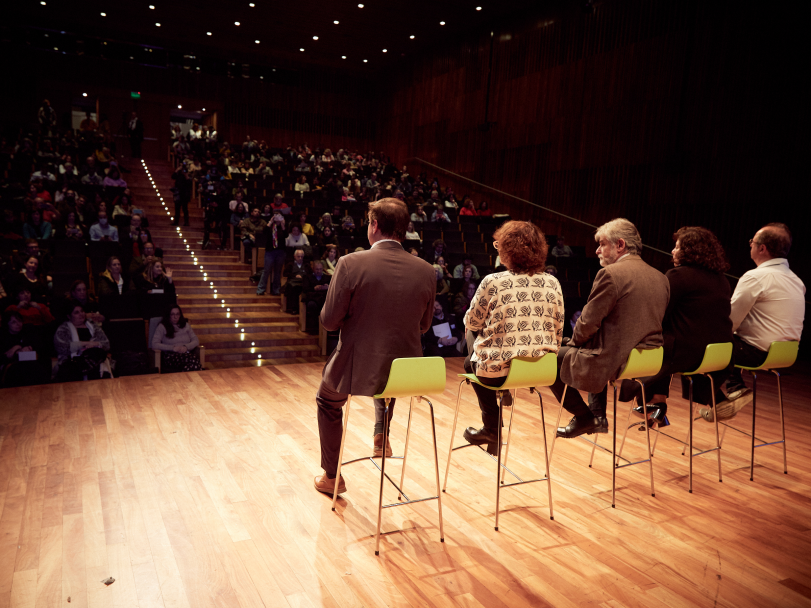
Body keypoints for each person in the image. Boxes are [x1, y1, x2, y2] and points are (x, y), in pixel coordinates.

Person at [314, 198, 436, 496]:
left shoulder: (349, 263)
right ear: (404, 231)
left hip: (359, 368)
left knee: (328, 401)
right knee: (388, 376)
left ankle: (332, 477)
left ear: (374, 225)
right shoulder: (426, 270)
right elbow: (424, 326)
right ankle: (382, 434)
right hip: (409, 373)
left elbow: (329, 322)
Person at [550, 218, 670, 439]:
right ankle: (598, 416)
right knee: (593, 344)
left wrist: (574, 342)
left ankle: (586, 417)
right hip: (648, 361)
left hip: (616, 359)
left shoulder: (611, 274)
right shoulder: (661, 277)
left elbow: (587, 322)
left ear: (620, 245)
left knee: (552, 357)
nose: (597, 250)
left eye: (602, 244)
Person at [461, 221, 564, 452]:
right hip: (540, 369)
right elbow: (558, 329)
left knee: (471, 338)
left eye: (499, 245)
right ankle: (494, 415)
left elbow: (472, 322)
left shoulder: (493, 281)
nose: (496, 249)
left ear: (509, 250)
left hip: (496, 372)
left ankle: (492, 427)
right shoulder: (553, 282)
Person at [621, 227, 735, 428]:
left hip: (687, 353)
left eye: (677, 247)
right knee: (666, 342)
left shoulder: (679, 276)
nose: (672, 251)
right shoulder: (721, 279)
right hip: (718, 353)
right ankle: (711, 400)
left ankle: (654, 404)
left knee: (649, 342)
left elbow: (659, 312)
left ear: (690, 251)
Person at [716, 223, 805, 421]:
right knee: (726, 342)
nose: (750, 246)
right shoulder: (797, 280)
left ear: (762, 248)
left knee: (708, 342)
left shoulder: (756, 277)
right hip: (786, 354)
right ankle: (731, 391)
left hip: (757, 353)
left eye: (752, 242)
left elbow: (729, 321)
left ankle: (720, 398)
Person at [54, 301, 112, 382]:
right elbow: (62, 347)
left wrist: (95, 345)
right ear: (69, 316)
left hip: (94, 359)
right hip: (71, 362)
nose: (81, 314)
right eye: (76, 312)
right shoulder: (63, 329)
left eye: (82, 311)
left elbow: (106, 344)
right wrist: (85, 344)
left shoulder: (93, 326)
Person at [1, 310, 50, 386]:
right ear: (7, 324)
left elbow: (39, 346)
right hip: (12, 365)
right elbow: (6, 356)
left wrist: (23, 347)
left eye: (20, 321)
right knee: (21, 370)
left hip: (30, 363)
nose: (18, 324)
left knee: (38, 365)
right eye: (14, 322)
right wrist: (16, 350)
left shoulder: (27, 331)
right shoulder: (3, 337)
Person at [133, 259, 176, 347]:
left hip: (160, 308)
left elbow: (171, 293)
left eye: (161, 267)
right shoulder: (142, 278)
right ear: (151, 268)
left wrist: (170, 279)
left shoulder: (163, 280)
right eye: (157, 267)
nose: (160, 269)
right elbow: (138, 291)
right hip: (148, 310)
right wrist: (146, 292)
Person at [152, 306, 203, 373]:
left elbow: (196, 340)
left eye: (177, 314)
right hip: (171, 356)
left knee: (191, 363)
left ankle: (185, 381)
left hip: (186, 354)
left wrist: (186, 347)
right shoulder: (162, 326)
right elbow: (154, 344)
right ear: (168, 315)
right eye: (172, 314)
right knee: (193, 363)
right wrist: (173, 348)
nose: (175, 317)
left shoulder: (186, 325)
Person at [256, 212, 287, 296]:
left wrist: (283, 224)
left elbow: (286, 235)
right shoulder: (270, 226)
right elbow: (264, 232)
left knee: (277, 271)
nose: (277, 217)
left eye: (279, 216)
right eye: (276, 216)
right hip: (270, 251)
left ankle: (276, 289)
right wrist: (270, 221)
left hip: (280, 251)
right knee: (266, 270)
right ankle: (260, 289)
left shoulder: (283, 226)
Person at [302, 260, 330, 334]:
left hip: (324, 298)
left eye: (320, 269)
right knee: (312, 305)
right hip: (313, 298)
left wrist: (328, 287)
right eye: (317, 269)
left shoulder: (327, 278)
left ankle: (328, 328)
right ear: (313, 269)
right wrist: (314, 288)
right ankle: (314, 328)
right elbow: (305, 289)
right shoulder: (307, 277)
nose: (319, 271)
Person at [283, 249, 310, 314]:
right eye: (298, 256)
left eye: (302, 256)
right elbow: (285, 274)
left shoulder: (306, 265)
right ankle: (294, 308)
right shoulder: (290, 264)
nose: (300, 258)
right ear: (294, 256)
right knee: (294, 289)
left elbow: (310, 274)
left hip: (303, 282)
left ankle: (306, 309)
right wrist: (295, 275)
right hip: (294, 283)